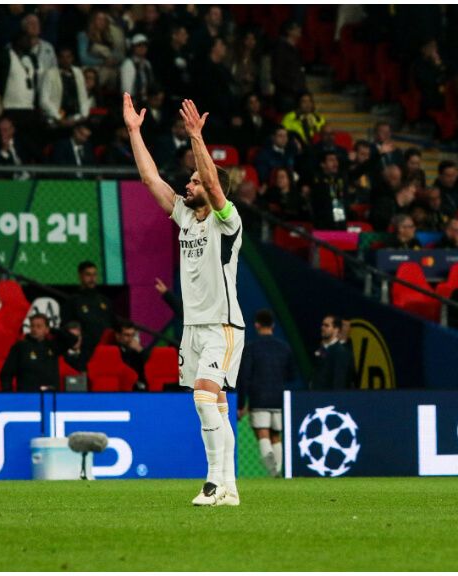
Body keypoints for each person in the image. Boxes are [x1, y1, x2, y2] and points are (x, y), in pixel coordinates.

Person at [124, 93, 244, 507]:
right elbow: (150, 180)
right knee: (218, 406)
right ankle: (230, 488)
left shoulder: (228, 222)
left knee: (203, 395)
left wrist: (196, 137)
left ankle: (212, 483)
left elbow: (212, 181)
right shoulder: (183, 218)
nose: (187, 184)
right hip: (192, 327)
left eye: (193, 181)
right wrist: (134, 132)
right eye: (189, 181)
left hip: (222, 326)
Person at [237, 309, 299, 477]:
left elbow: (244, 377)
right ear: (273, 325)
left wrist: (241, 404)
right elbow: (291, 375)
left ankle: (272, 471)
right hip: (279, 397)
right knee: (276, 435)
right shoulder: (284, 348)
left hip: (258, 397)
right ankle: (278, 470)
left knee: (262, 432)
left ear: (257, 325)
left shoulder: (251, 348)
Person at [0, 313, 75, 392]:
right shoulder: (20, 347)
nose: (34, 329)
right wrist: (8, 395)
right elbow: (6, 374)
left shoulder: (53, 346)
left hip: (50, 395)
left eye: (39, 326)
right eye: (32, 326)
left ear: (46, 329)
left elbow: (73, 340)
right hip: (27, 396)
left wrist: (52, 330)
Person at [60, 260, 115, 360]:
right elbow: (65, 326)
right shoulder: (73, 301)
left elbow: (112, 323)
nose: (92, 278)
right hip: (84, 351)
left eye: (94, 275)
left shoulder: (105, 301)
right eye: (88, 275)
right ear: (80, 276)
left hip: (105, 349)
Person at [311, 315, 352, 390]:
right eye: (322, 325)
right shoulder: (319, 349)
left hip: (330, 398)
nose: (322, 328)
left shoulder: (341, 352)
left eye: (326, 326)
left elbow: (339, 380)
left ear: (336, 329)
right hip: (315, 396)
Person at [113, 320, 147, 390]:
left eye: (133, 335)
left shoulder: (137, 351)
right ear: (117, 335)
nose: (131, 339)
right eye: (127, 335)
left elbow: (146, 371)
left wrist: (140, 351)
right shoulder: (112, 351)